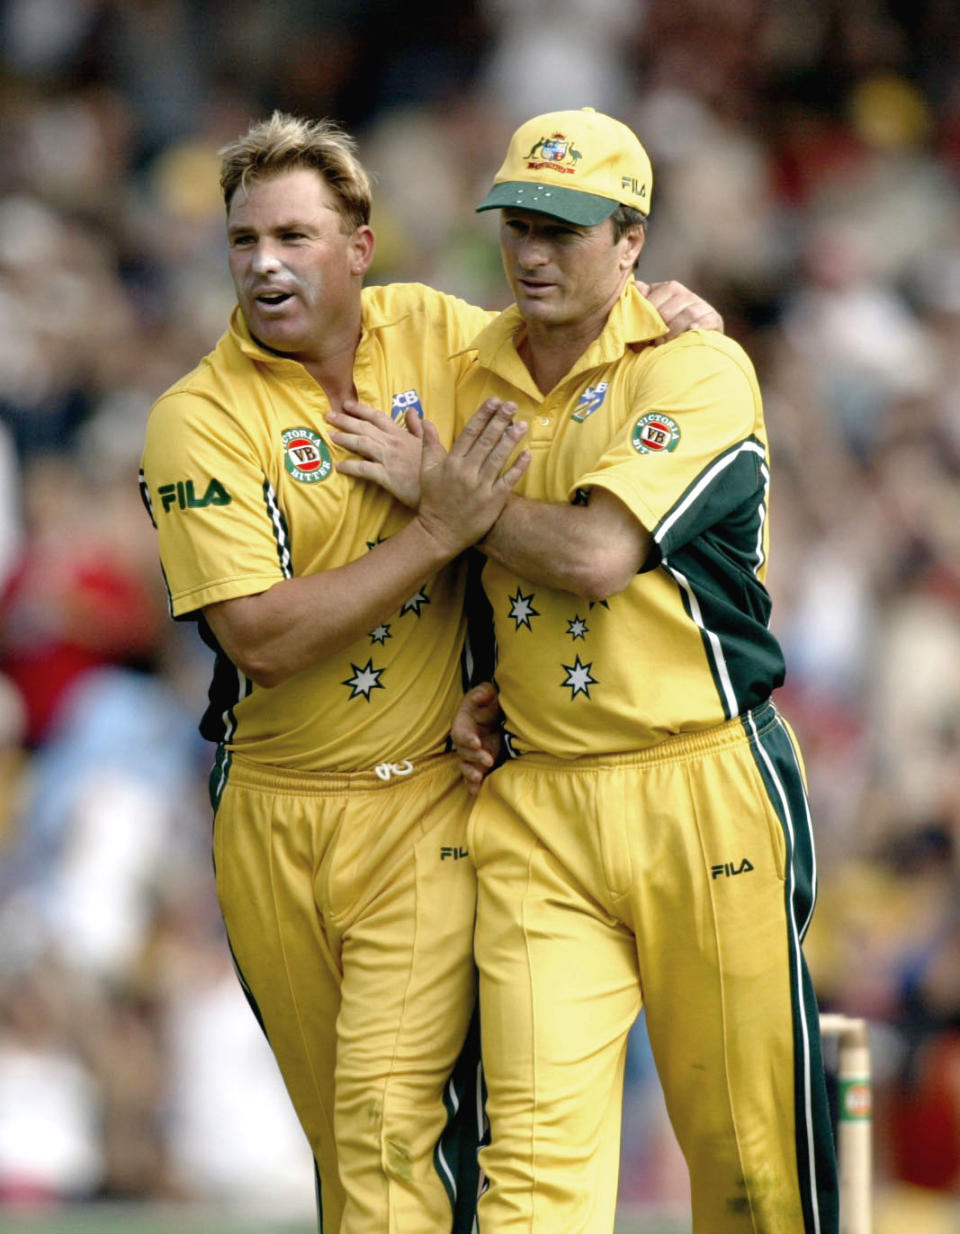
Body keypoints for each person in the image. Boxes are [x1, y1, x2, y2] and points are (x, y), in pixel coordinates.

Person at [138, 111, 722, 1234]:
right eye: (244, 238)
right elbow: (256, 638)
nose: (266, 263)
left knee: (387, 1125)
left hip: (424, 805)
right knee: (353, 1152)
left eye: (296, 235)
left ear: (360, 246)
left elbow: (579, 342)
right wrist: (435, 532)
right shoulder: (197, 420)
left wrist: (681, 326)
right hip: (270, 815)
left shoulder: (434, 334)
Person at [446, 107, 841, 1233]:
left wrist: (455, 506)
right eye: (518, 222)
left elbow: (597, 555)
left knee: (752, 1169)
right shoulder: (460, 359)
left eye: (565, 230)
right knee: (528, 1181)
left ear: (632, 243)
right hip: (537, 803)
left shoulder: (700, 367)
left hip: (703, 786)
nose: (531, 251)